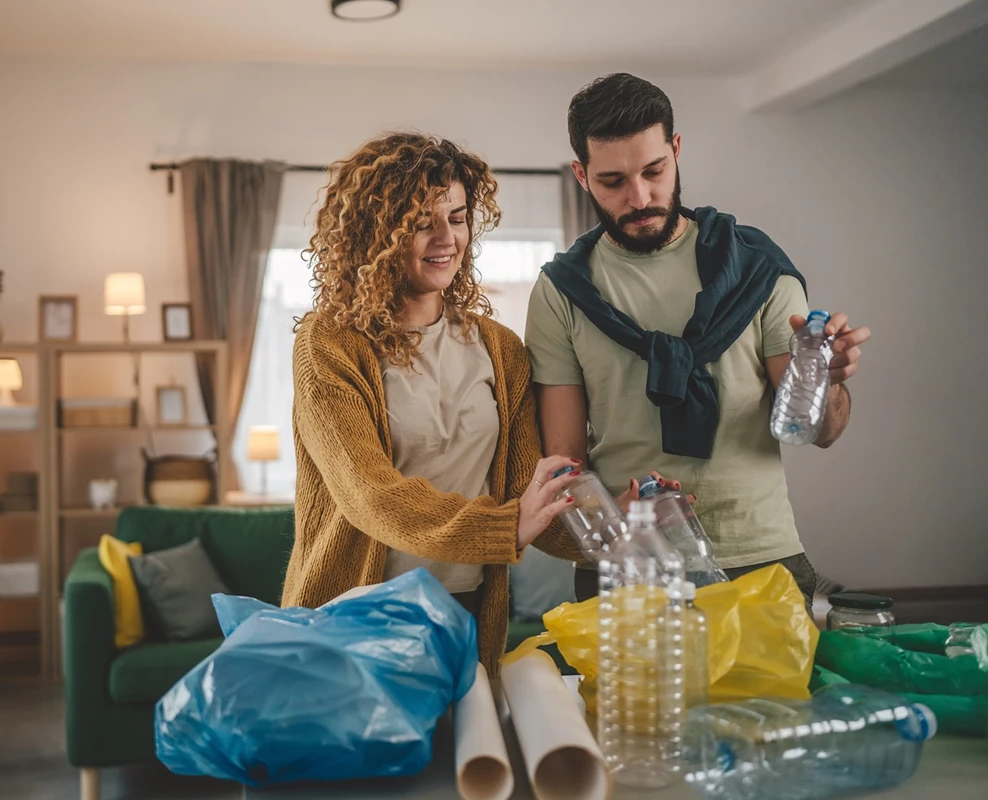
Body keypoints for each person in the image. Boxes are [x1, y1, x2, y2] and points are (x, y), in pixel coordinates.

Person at [526, 74, 871, 611]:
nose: (639, 197)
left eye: (654, 171)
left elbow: (819, 431)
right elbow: (564, 463)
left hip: (759, 557)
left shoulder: (756, 269)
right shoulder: (562, 290)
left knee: (772, 702)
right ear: (582, 176)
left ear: (677, 150)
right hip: (628, 561)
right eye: (613, 180)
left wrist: (825, 380)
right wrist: (615, 516)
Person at [283, 132, 606, 675]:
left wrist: (627, 517)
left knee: (472, 759)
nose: (445, 238)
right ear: (374, 233)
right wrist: (506, 528)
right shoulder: (329, 343)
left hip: (466, 615)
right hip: (353, 616)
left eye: (456, 218)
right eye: (420, 221)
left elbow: (529, 501)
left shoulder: (500, 350)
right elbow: (371, 496)